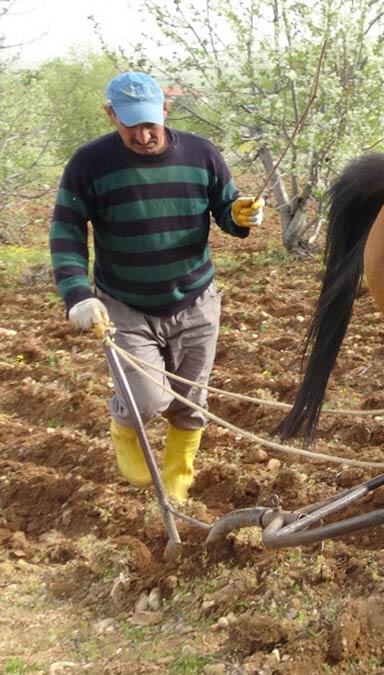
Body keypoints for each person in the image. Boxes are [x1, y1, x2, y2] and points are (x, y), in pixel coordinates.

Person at [49, 72, 264, 502]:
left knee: (191, 399)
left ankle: (178, 471)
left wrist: (240, 215)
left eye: (151, 123)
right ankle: (125, 424)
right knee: (147, 401)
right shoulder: (89, 164)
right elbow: (66, 231)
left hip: (195, 298)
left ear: (165, 110)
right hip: (123, 304)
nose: (145, 135)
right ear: (111, 116)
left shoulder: (202, 153)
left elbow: (225, 206)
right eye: (132, 126)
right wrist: (78, 294)